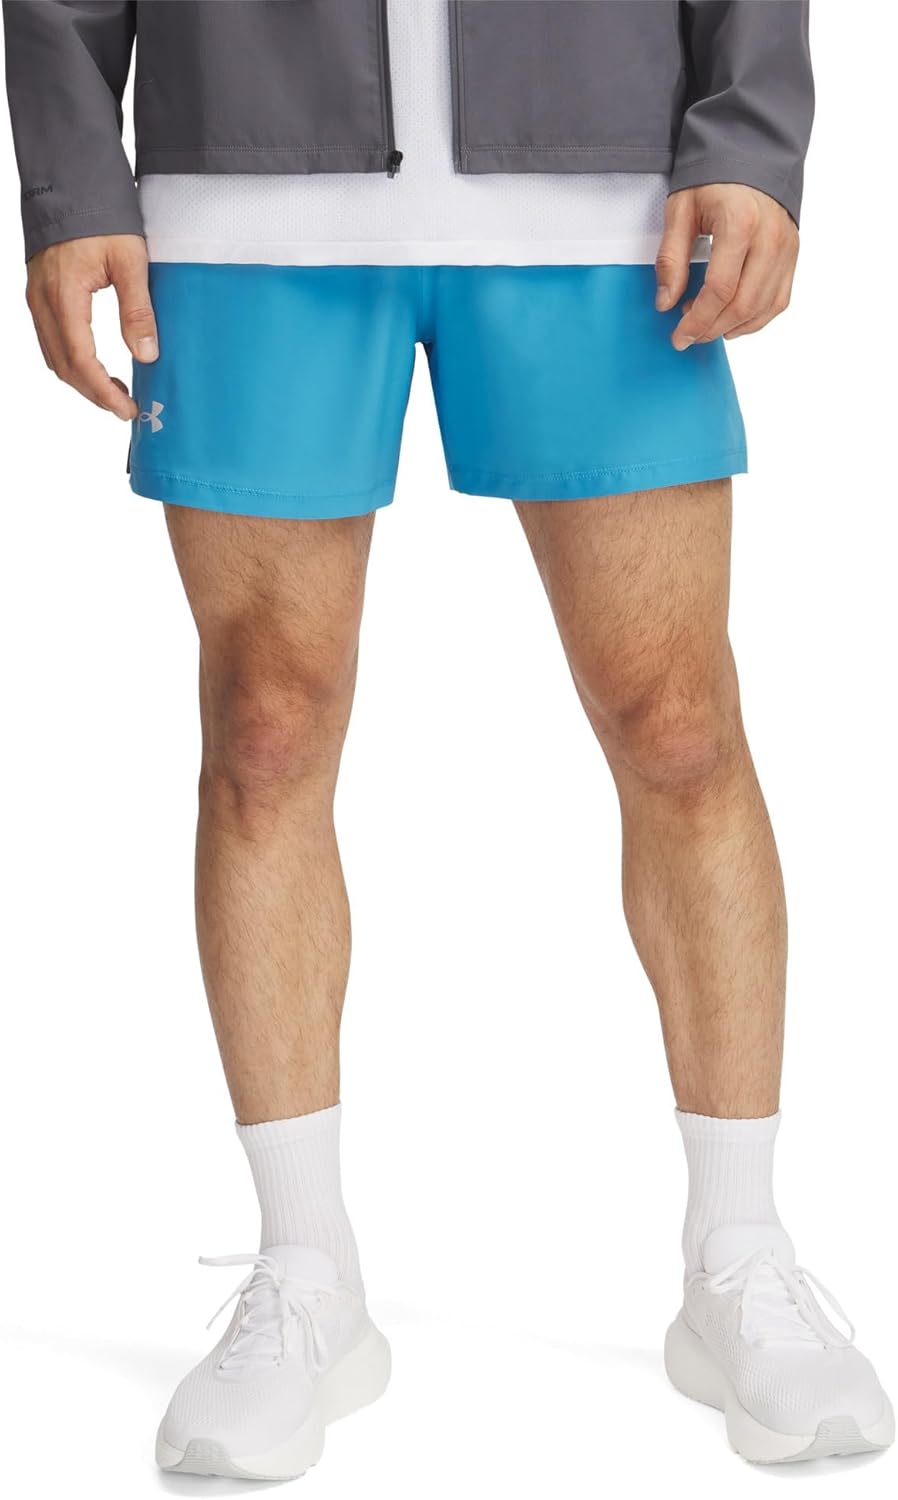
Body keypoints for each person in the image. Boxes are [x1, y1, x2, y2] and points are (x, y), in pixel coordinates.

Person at [4, 0, 893, 1479]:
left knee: (676, 724)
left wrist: (748, 134)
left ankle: (739, 1253)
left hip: (604, 196)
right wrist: (73, 175)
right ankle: (305, 1272)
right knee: (265, 731)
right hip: (243, 196)